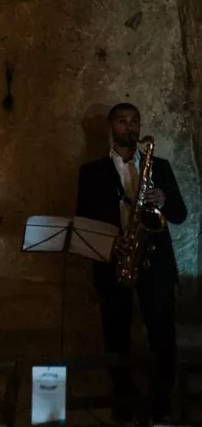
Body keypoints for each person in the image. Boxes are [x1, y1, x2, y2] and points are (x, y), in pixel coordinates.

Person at [75, 103, 188, 423]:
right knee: (115, 336)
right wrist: (111, 244)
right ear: (112, 128)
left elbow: (180, 215)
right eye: (123, 121)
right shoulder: (92, 172)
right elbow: (84, 222)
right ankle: (122, 400)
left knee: (163, 336)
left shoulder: (160, 167)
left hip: (156, 265)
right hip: (114, 261)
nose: (131, 126)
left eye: (135, 120)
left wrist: (164, 200)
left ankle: (161, 403)